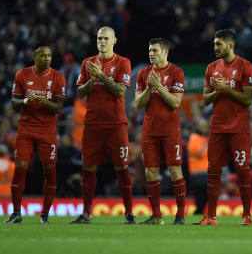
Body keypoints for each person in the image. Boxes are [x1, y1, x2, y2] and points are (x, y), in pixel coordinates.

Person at [71, 26, 135, 224]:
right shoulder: (87, 63)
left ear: (114, 41)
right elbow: (81, 93)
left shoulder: (123, 62)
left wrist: (102, 76)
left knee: (122, 168)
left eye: (106, 38)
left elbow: (120, 92)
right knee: (88, 168)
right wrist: (92, 80)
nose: (102, 42)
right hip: (92, 125)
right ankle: (86, 214)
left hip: (116, 124)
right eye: (99, 38)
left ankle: (129, 214)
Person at [194, 30, 252, 226]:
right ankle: (211, 216)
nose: (215, 48)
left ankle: (247, 217)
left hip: (239, 128)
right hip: (218, 128)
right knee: (213, 170)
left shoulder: (245, 66)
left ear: (230, 45)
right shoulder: (212, 67)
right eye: (214, 44)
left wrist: (225, 89)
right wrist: (216, 92)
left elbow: (248, 98)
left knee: (243, 171)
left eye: (219, 44)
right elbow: (205, 100)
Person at [5, 41, 66, 224]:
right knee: (19, 170)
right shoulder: (22, 75)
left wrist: (44, 102)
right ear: (34, 56)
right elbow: (14, 103)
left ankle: (45, 215)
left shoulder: (57, 77)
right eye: (42, 55)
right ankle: (16, 213)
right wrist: (25, 101)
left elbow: (58, 108)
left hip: (48, 130)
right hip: (26, 128)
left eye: (49, 56)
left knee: (50, 172)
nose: (47, 59)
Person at [135, 38, 186, 225]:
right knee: (150, 172)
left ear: (165, 52)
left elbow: (175, 102)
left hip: (170, 129)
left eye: (155, 50)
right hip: (149, 130)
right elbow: (138, 103)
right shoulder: (142, 74)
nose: (151, 54)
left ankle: (180, 215)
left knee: (174, 170)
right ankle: (156, 215)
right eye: (150, 50)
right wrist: (149, 87)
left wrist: (159, 87)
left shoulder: (176, 72)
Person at [187, 120, 209, 216]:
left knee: (205, 193)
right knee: (201, 193)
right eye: (202, 126)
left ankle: (199, 210)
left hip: (205, 171)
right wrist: (206, 148)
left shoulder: (204, 138)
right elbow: (198, 153)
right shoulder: (194, 137)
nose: (205, 128)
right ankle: (198, 210)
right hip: (197, 171)